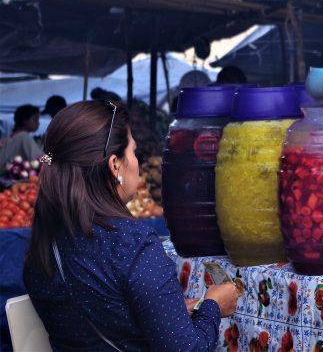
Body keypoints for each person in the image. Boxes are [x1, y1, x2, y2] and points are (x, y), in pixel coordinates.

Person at [24, 100, 238, 351]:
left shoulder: (43, 244)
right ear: (115, 165)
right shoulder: (132, 245)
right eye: (133, 152)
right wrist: (212, 306)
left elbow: (108, 316)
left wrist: (171, 314)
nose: (136, 162)